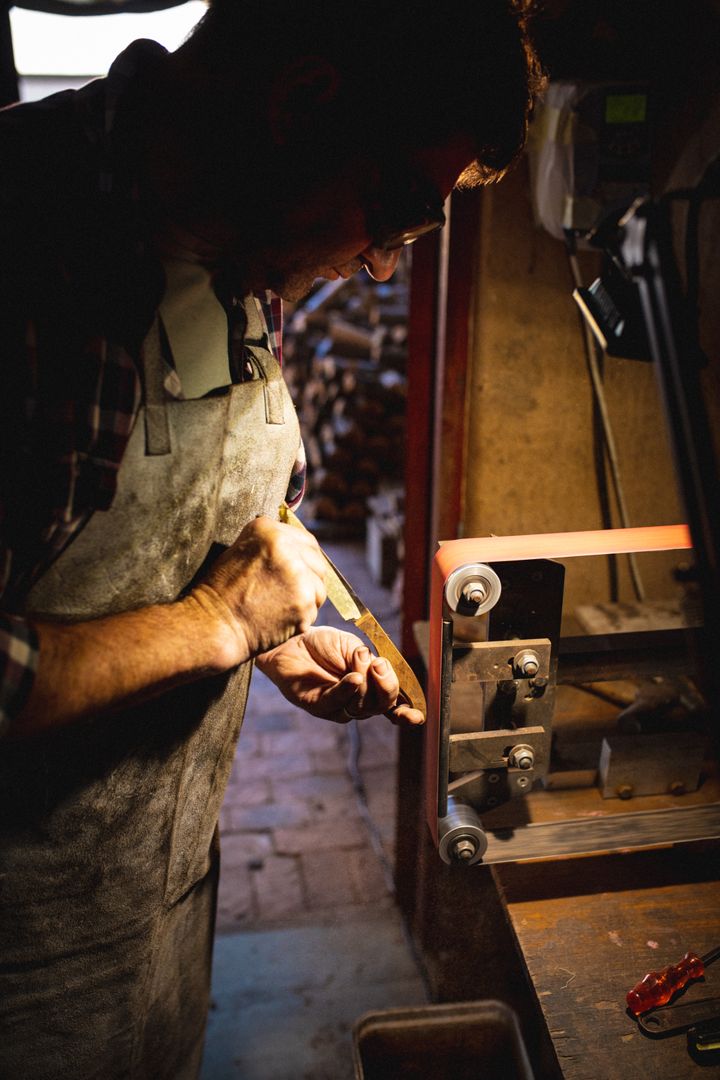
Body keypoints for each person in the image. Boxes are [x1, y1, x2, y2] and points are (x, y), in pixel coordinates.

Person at [0, 2, 543, 1076]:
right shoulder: (35, 248)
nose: (383, 266)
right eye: (392, 215)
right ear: (301, 105)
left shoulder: (241, 240)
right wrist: (213, 621)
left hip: (159, 918)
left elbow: (165, 533)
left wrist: (268, 635)